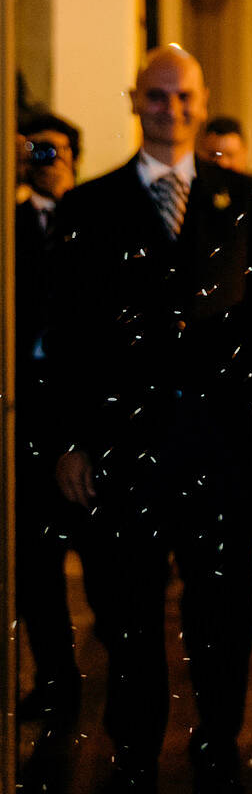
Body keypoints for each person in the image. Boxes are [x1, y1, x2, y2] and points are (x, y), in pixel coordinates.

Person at [49, 45, 252, 793]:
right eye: (156, 97)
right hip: (126, 450)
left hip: (218, 447)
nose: (171, 110)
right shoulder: (89, 206)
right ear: (135, 100)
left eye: (183, 98)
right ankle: (134, 749)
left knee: (223, 611)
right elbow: (67, 335)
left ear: (201, 97)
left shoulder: (243, 200)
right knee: (129, 614)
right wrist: (69, 442)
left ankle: (216, 740)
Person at [14, 115, 83, 735]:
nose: (45, 159)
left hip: (89, 408)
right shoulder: (13, 220)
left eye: (56, 151)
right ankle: (56, 681)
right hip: (28, 408)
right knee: (37, 562)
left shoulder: (91, 216)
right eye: (36, 151)